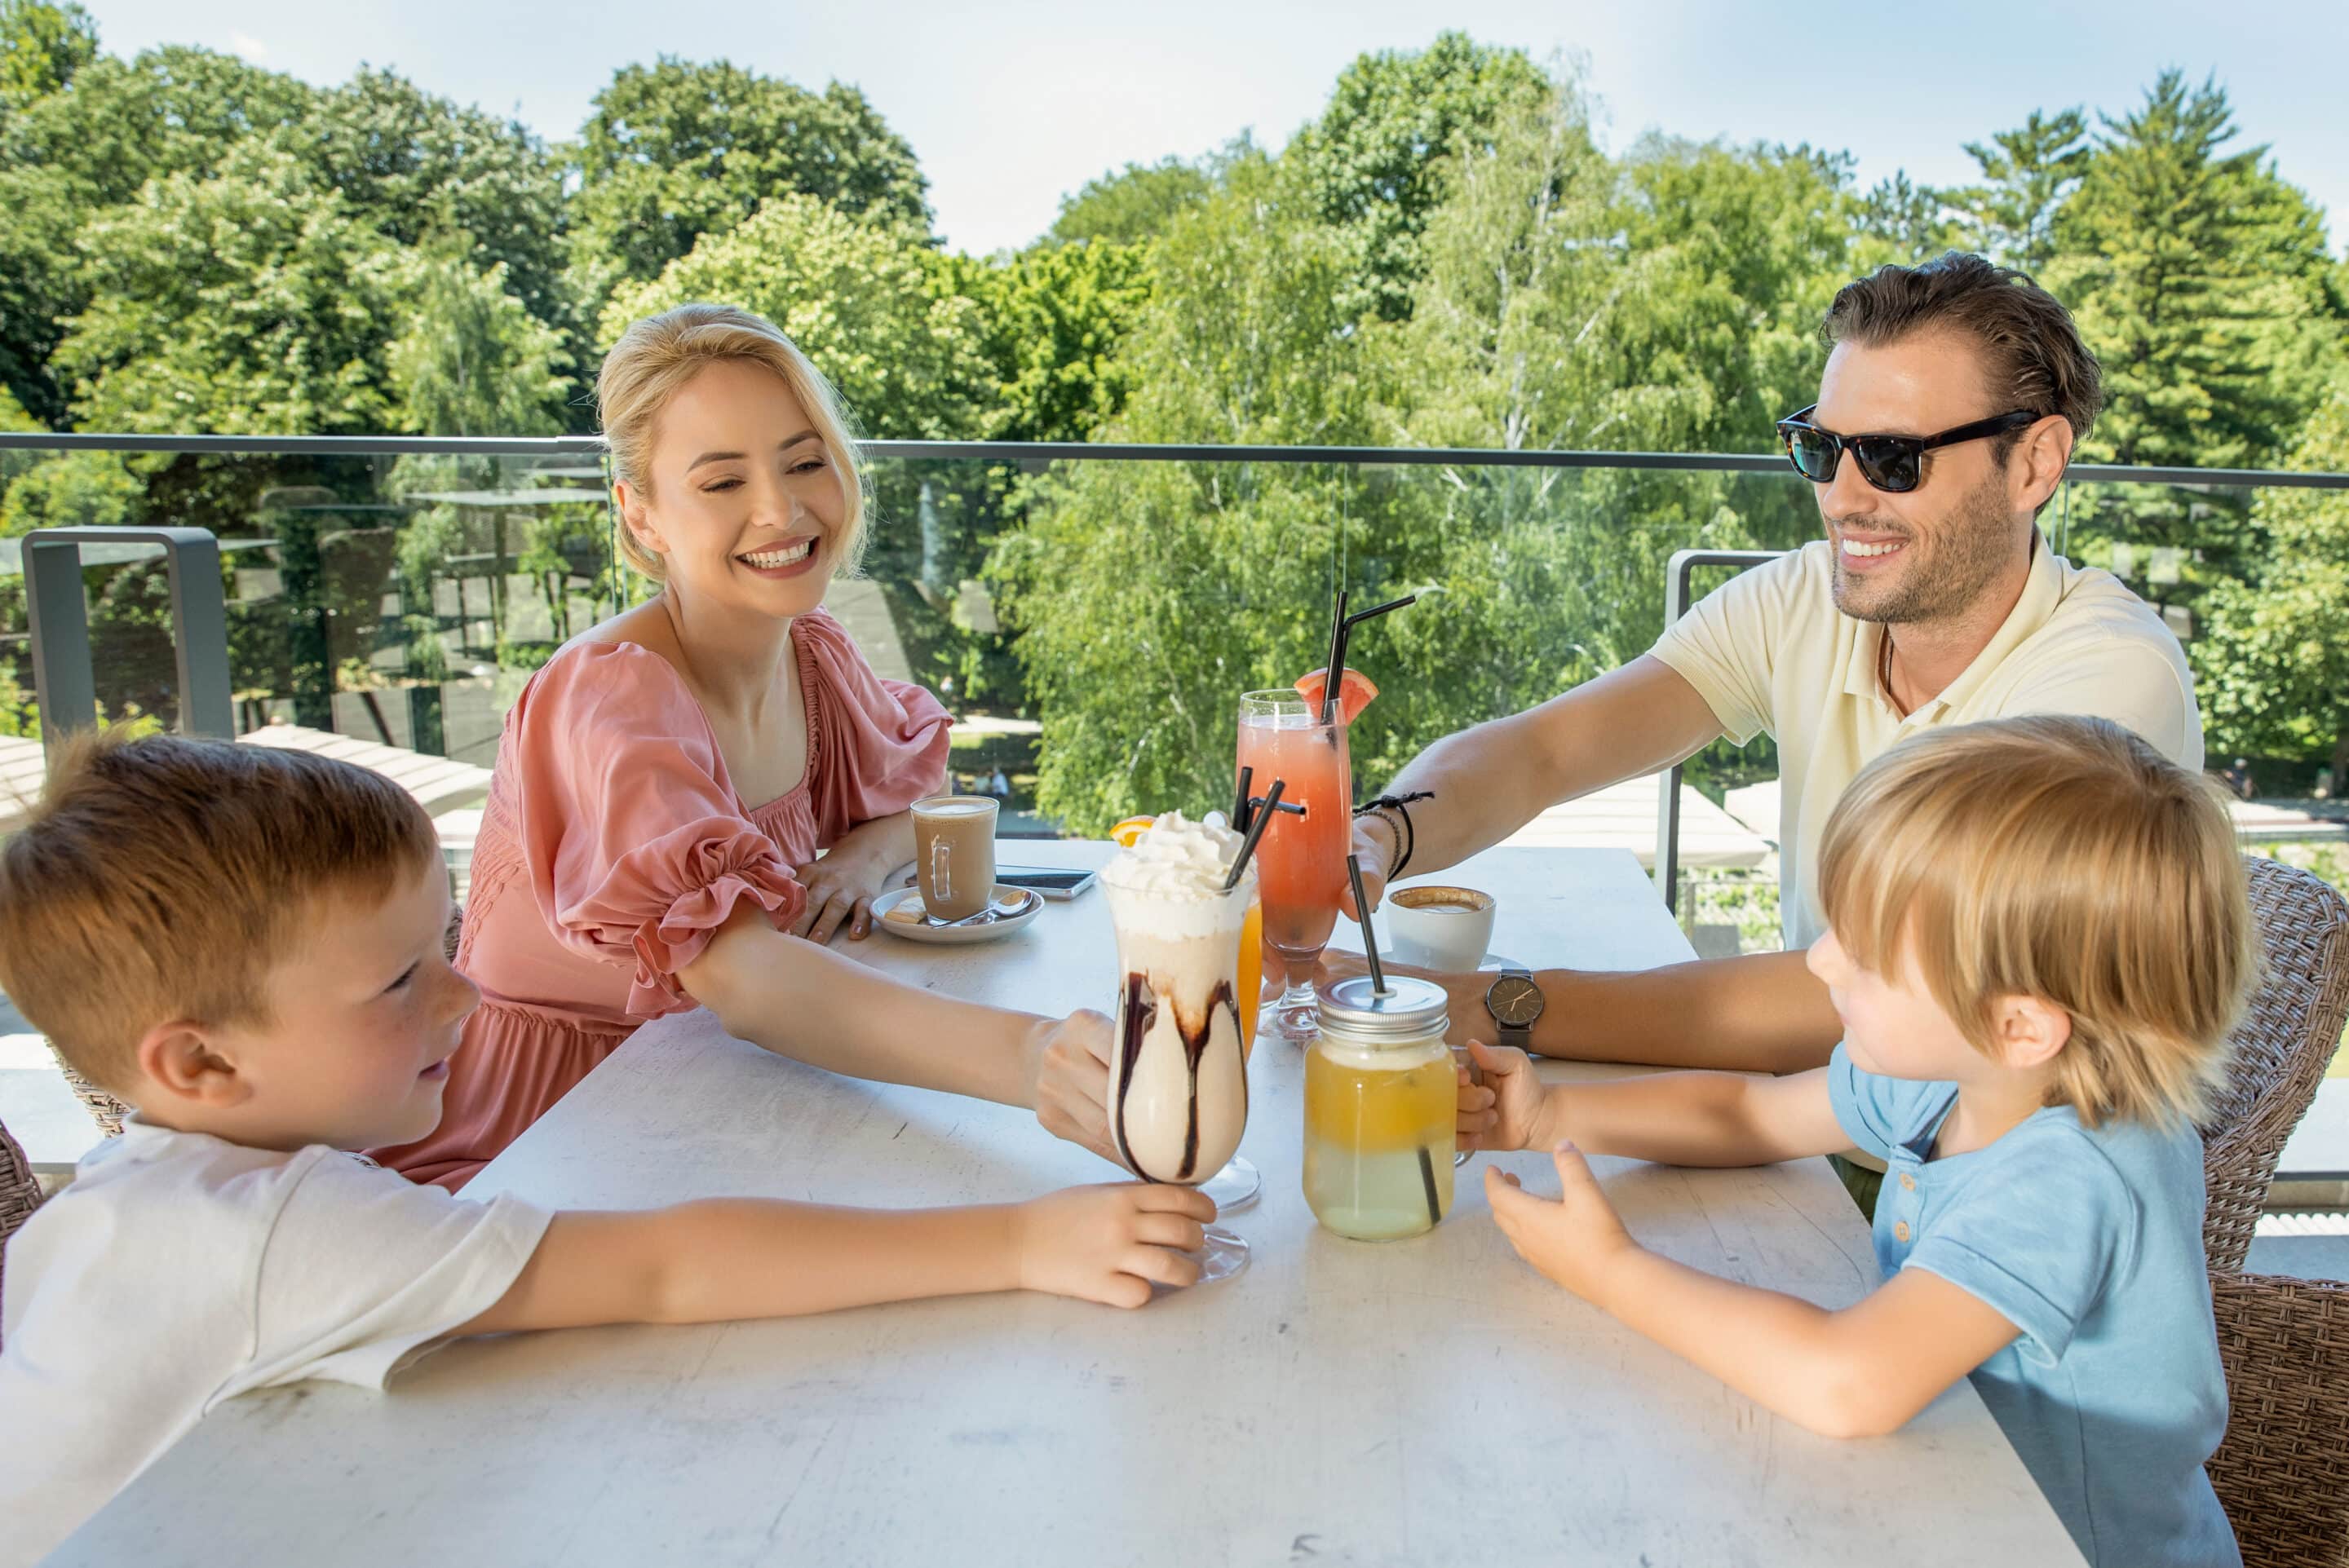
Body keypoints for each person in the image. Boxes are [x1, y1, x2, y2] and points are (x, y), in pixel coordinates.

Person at [0, 734, 1215, 1566]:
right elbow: (666, 1267)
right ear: (199, 1064)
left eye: (449, 941)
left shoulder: (123, 1198)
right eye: (400, 978)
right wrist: (1024, 1236)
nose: (465, 992)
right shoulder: (279, 1230)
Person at [1333, 255, 2199, 1096]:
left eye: (1894, 457)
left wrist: (1495, 1004)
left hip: (1983, 1187)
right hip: (1810, 1128)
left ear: (2037, 464)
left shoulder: (2103, 685)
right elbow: (1549, 751)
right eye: (1822, 449)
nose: (1842, 498)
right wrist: (1377, 836)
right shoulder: (1805, 601)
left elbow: (1881, 990)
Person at [1457, 716, 2250, 1568]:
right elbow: (1751, 1116)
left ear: (2020, 1024)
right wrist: (1551, 1119)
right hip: (1944, 1495)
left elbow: (1848, 1383)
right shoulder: (1960, 1071)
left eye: (1866, 957)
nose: (1823, 964)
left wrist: (1610, 1272)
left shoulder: (2073, 1174)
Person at [371, 304, 1113, 1189]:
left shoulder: (812, 653)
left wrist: (860, 865)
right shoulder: (609, 699)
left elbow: (916, 797)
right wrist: (1037, 1059)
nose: (781, 509)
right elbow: (749, 981)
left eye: (805, 463)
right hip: (548, 1142)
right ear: (641, 516)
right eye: (723, 484)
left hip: (728, 1091)